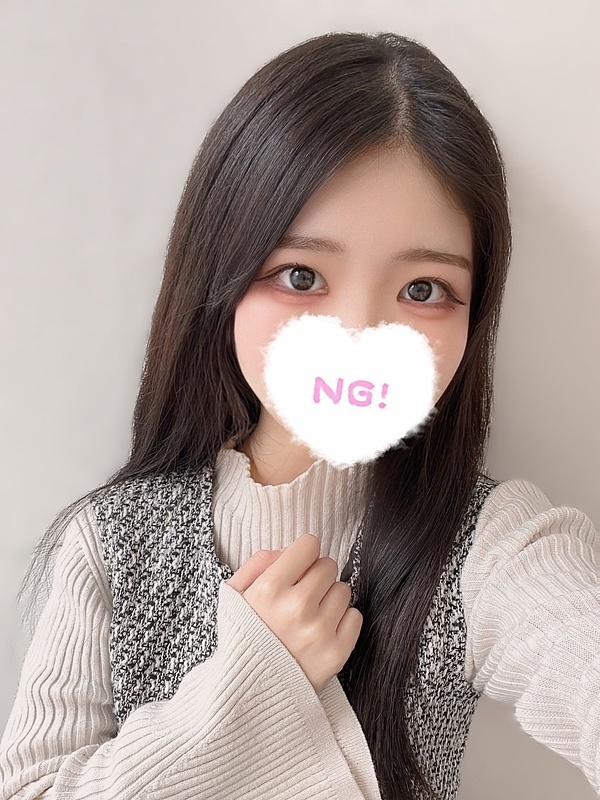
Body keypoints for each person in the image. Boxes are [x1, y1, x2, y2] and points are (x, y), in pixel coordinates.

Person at [1, 30, 598, 800]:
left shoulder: (484, 542)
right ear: (220, 274)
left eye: (422, 290)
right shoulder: (113, 542)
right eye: (301, 275)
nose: (357, 335)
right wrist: (250, 691)